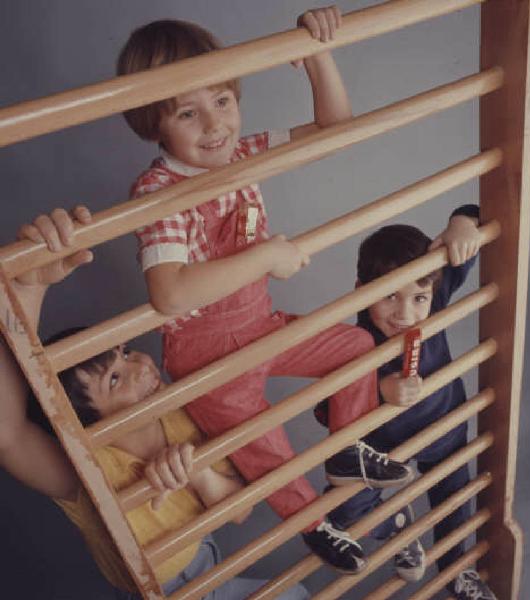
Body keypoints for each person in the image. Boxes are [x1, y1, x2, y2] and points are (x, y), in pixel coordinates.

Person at [118, 7, 412, 573]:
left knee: (354, 349)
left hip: (260, 324)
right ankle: (314, 523)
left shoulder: (242, 152)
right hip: (207, 356)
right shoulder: (156, 190)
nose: (214, 125)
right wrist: (266, 255)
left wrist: (317, 56)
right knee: (267, 444)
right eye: (188, 111)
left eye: (223, 100)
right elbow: (171, 294)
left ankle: (347, 454)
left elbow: (333, 132)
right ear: (154, 124)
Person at [0, 207, 309, 600]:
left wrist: (197, 473)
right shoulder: (88, 466)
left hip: (209, 566)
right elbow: (7, 434)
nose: (138, 366)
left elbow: (240, 510)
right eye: (114, 379)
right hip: (156, 593)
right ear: (86, 423)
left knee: (296, 593)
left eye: (126, 353)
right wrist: (27, 289)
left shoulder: (182, 413)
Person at [318, 205, 497, 598]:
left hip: (444, 429)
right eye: (389, 298)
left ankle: (458, 572)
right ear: (361, 288)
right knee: (343, 512)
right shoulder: (352, 343)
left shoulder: (436, 290)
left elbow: (477, 214)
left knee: (454, 508)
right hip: (382, 447)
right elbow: (326, 409)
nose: (405, 314)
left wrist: (461, 224)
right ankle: (398, 528)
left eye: (418, 298)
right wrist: (378, 389)